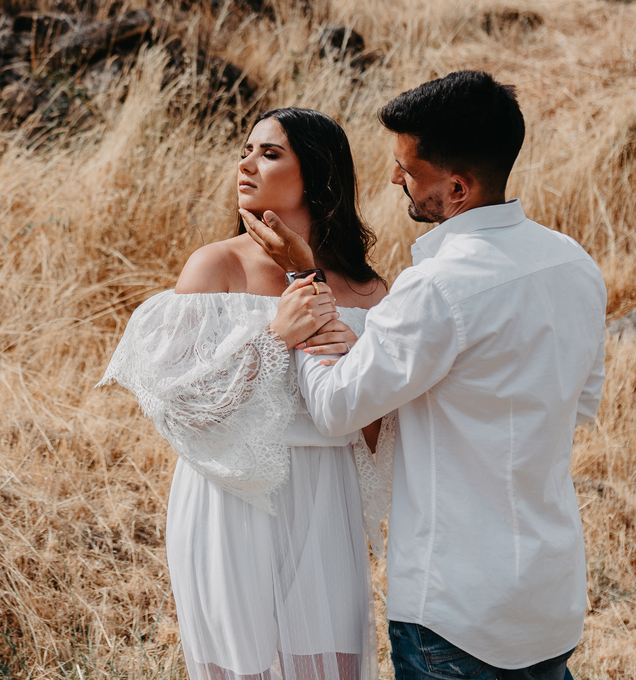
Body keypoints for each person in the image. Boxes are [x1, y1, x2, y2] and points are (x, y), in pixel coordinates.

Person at [247, 72, 606, 680]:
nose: (392, 178)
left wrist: (304, 283)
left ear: (458, 187)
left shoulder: (436, 288)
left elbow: (336, 407)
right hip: (550, 596)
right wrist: (374, 349)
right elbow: (572, 404)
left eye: (408, 170)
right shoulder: (574, 265)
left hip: (456, 608)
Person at [101, 107, 392, 680]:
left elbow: (381, 424)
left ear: (319, 175)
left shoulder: (368, 289)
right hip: (229, 492)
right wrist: (274, 339)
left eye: (270, 152)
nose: (246, 163)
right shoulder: (215, 266)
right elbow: (181, 404)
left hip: (325, 496)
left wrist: (336, 335)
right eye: (245, 149)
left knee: (328, 666)